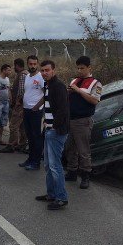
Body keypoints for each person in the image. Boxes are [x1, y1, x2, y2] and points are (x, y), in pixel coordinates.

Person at [35, 60, 69, 210]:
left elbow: (63, 110)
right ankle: (51, 194)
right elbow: (49, 107)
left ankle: (61, 198)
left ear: (53, 70)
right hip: (49, 129)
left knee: (55, 166)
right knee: (48, 165)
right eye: (42, 70)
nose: (44, 73)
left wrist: (53, 126)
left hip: (56, 131)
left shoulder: (58, 86)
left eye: (47, 70)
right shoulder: (47, 85)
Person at [65, 56, 103, 189]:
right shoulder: (75, 80)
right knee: (70, 148)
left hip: (83, 120)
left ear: (89, 68)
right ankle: (72, 172)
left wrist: (78, 91)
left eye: (82, 68)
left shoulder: (96, 83)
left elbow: (94, 100)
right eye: (78, 68)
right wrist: (69, 91)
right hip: (71, 119)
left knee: (83, 150)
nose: (80, 70)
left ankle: (85, 175)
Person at [19, 55, 44, 171]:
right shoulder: (27, 76)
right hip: (26, 109)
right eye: (30, 64)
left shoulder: (40, 77)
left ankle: (36, 162)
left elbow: (46, 94)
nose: (33, 66)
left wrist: (36, 107)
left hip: (36, 111)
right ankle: (30, 159)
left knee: (36, 137)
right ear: (27, 64)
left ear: (37, 64)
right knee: (29, 136)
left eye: (35, 64)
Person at [0, 58, 28, 153]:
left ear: (17, 65)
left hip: (20, 104)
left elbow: (21, 90)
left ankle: (12, 144)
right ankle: (22, 144)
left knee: (13, 125)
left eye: (14, 66)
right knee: (22, 126)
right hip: (23, 104)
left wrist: (17, 102)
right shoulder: (25, 74)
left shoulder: (22, 75)